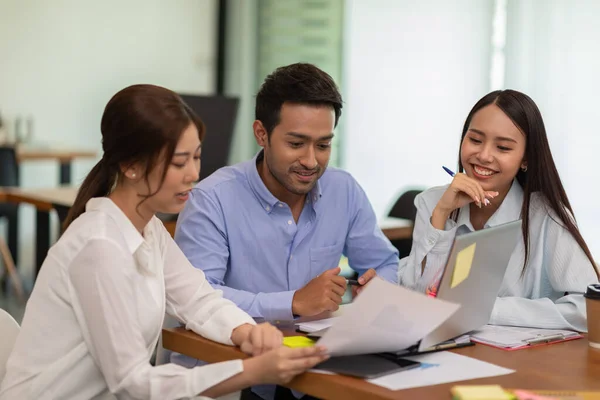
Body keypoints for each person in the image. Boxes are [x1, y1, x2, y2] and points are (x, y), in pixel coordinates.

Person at [0, 84, 328, 400]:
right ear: (130, 166)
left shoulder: (150, 230)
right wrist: (251, 371)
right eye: (178, 162)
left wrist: (246, 331)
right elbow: (134, 384)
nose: (193, 174)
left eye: (196, 157)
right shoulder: (99, 248)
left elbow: (199, 299)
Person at [173, 63, 398, 398]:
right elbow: (197, 299)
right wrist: (292, 302)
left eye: (323, 145)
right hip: (237, 374)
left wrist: (377, 288)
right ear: (261, 134)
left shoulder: (344, 190)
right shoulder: (212, 200)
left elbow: (384, 264)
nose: (311, 161)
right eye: (296, 143)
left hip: (319, 372)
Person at [398, 89, 599, 332]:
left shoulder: (546, 216)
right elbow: (417, 298)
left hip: (525, 362)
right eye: (475, 140)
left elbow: (586, 309)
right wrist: (440, 215)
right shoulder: (432, 202)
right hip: (444, 351)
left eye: (502, 147)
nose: (483, 156)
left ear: (525, 159)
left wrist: (485, 309)